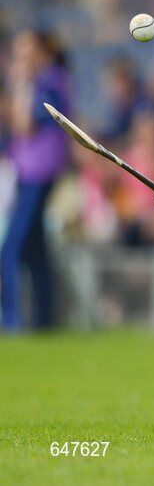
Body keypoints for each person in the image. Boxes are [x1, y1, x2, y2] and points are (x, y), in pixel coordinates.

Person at [1, 30, 72, 332]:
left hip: (39, 172)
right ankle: (45, 320)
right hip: (26, 172)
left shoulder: (49, 81)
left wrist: (19, 84)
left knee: (11, 251)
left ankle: (13, 322)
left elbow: (26, 125)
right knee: (34, 251)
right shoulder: (42, 81)